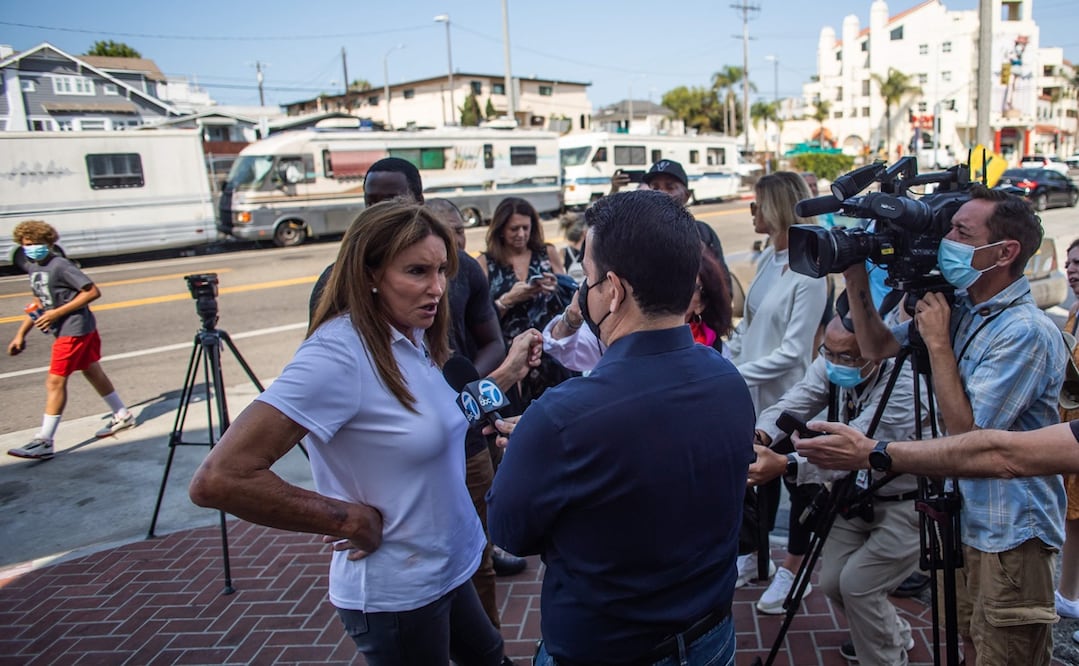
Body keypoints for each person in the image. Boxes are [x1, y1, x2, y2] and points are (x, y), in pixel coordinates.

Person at [189, 202, 538, 665]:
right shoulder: (337, 355)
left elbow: (437, 420)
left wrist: (508, 375)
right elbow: (221, 477)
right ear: (369, 273)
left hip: (451, 568)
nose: (437, 289)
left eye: (441, 271)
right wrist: (345, 519)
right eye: (417, 271)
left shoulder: (410, 335)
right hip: (398, 593)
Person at [487, 190, 755, 666]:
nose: (582, 293)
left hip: (607, 648)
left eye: (586, 279)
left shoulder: (562, 417)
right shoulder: (727, 379)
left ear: (613, 289)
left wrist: (532, 447)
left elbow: (511, 530)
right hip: (711, 637)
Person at [838, 184, 1067, 665]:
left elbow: (970, 441)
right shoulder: (961, 308)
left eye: (961, 232)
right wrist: (854, 269)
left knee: (1004, 655)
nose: (948, 241)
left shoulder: (1025, 331)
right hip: (962, 520)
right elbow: (876, 347)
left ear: (1004, 252)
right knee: (967, 643)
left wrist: (938, 346)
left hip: (1010, 536)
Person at [748, 308, 931, 664]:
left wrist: (785, 464)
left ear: (877, 352)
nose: (834, 362)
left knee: (859, 587)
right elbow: (795, 400)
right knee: (832, 582)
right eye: (828, 352)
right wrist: (761, 435)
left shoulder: (906, 386)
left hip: (903, 499)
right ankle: (893, 633)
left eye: (847, 356)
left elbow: (850, 451)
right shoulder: (833, 359)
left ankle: (886, 658)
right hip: (856, 496)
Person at [728, 171, 829, 608]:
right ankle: (755, 556)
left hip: (791, 399)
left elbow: (793, 352)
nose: (751, 212)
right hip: (752, 396)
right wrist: (721, 364)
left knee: (798, 483)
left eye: (757, 204)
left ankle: (795, 569)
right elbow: (747, 328)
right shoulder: (770, 260)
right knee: (757, 481)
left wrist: (736, 374)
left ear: (778, 208)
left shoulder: (810, 274)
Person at [427, 197, 530, 596]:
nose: (433, 287)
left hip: (469, 427)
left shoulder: (467, 270)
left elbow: (491, 341)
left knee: (478, 533)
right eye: (418, 271)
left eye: (458, 232)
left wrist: (480, 383)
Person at [7, 220, 136, 461]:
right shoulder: (35, 268)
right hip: (70, 329)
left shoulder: (60, 265)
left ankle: (44, 440)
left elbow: (92, 291)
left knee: (55, 381)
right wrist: (21, 334)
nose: (31, 248)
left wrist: (57, 313)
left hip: (74, 330)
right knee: (92, 371)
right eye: (26, 245)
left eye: (36, 243)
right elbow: (40, 304)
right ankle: (122, 414)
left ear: (49, 242)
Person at [479, 197, 570, 410]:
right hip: (511, 360)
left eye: (526, 228)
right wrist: (508, 300)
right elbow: (481, 319)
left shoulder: (546, 253)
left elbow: (568, 302)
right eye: (514, 229)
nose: (521, 234)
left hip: (550, 354)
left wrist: (556, 286)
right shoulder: (485, 263)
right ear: (500, 229)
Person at [308, 157, 424, 317]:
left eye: (392, 201)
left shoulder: (455, 268)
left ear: (419, 202)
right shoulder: (340, 278)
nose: (378, 212)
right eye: (371, 203)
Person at [1056, 238, 1079, 625]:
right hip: (1067, 429)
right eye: (1070, 263)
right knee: (1072, 516)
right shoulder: (1074, 311)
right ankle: (1069, 594)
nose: (1073, 270)